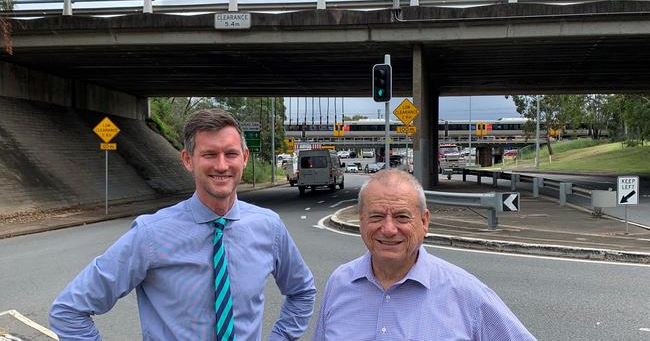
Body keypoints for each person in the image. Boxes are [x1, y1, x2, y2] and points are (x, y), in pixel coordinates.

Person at [50, 108, 316, 340]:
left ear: (244, 158)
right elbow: (69, 311)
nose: (222, 165)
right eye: (209, 154)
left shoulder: (269, 227)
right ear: (188, 160)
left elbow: (302, 291)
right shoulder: (150, 234)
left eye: (230, 154)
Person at [312, 169, 536, 340]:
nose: (389, 229)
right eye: (377, 217)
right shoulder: (340, 283)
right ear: (361, 221)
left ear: (424, 222)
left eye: (401, 217)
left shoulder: (466, 293)